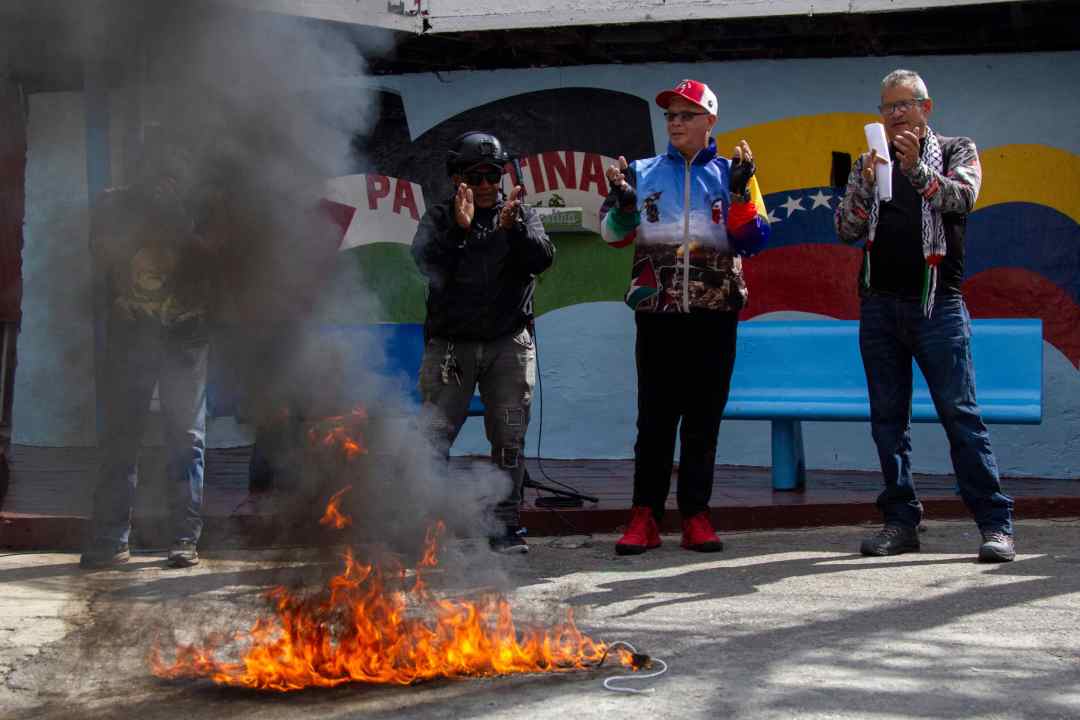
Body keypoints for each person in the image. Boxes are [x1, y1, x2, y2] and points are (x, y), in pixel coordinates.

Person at [835, 69, 1015, 562]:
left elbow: (961, 199)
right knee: (887, 422)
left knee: (960, 415)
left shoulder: (958, 150)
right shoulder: (868, 161)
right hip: (879, 306)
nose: (895, 115)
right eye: (887, 107)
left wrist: (916, 169)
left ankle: (995, 524)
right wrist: (866, 184)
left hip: (938, 305)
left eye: (904, 105)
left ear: (926, 108)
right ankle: (900, 520)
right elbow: (847, 229)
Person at [600, 79, 769, 555]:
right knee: (654, 420)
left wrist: (739, 194)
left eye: (686, 114)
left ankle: (696, 514)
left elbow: (754, 241)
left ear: (709, 121)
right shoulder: (641, 170)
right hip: (657, 311)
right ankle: (644, 516)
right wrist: (625, 206)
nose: (675, 122)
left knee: (702, 420)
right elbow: (611, 235)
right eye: (671, 115)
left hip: (716, 312)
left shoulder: (734, 172)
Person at [411, 131, 555, 554]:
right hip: (451, 349)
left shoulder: (520, 216)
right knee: (433, 438)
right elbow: (424, 262)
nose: (488, 185)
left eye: (494, 174)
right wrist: (460, 229)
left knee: (510, 438)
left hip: (508, 344)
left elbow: (543, 258)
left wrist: (512, 231)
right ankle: (426, 530)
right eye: (477, 177)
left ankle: (505, 527)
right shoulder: (439, 219)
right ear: (457, 179)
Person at [80, 132, 214, 569]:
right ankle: (111, 538)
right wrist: (116, 302)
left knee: (185, 441)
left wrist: (180, 217)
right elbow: (99, 266)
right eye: (153, 168)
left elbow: (222, 267)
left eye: (170, 169)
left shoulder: (199, 208)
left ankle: (183, 539)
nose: (162, 177)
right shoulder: (114, 206)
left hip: (184, 340)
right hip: (132, 338)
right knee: (122, 438)